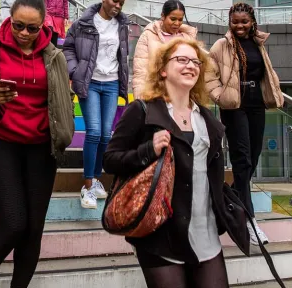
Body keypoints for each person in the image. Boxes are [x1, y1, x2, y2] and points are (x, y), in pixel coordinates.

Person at [103, 38, 249, 288]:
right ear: (162, 69)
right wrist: (148, 150)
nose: (190, 65)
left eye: (195, 62)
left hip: (206, 235)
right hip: (161, 236)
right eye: (181, 60)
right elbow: (110, 160)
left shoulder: (207, 120)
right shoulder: (142, 111)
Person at [0, 0, 75, 288]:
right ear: (9, 19)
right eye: (19, 25)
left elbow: (62, 100)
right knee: (14, 223)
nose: (24, 33)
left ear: (43, 26)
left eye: (32, 28)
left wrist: (63, 132)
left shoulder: (54, 56)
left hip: (40, 150)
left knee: (33, 230)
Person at [205, 2, 284, 246]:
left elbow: (264, 73)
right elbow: (209, 75)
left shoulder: (259, 43)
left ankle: (229, 196)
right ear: (229, 22)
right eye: (235, 21)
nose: (239, 26)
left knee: (254, 157)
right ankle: (249, 221)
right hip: (234, 106)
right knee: (242, 159)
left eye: (244, 22)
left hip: (256, 104)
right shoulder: (222, 45)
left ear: (252, 22)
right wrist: (219, 96)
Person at [62, 0, 129, 209]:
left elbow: (123, 55)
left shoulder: (122, 25)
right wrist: (75, 71)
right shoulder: (83, 23)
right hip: (89, 82)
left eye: (121, 3)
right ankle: (87, 184)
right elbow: (68, 48)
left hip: (111, 83)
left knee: (106, 135)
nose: (117, 6)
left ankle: (96, 179)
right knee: (94, 131)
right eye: (114, 1)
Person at [133, 0, 197, 99]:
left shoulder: (187, 38)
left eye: (180, 20)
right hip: (155, 94)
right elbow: (140, 70)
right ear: (163, 16)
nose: (177, 23)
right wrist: (140, 98)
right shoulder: (148, 36)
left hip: (181, 96)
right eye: (173, 19)